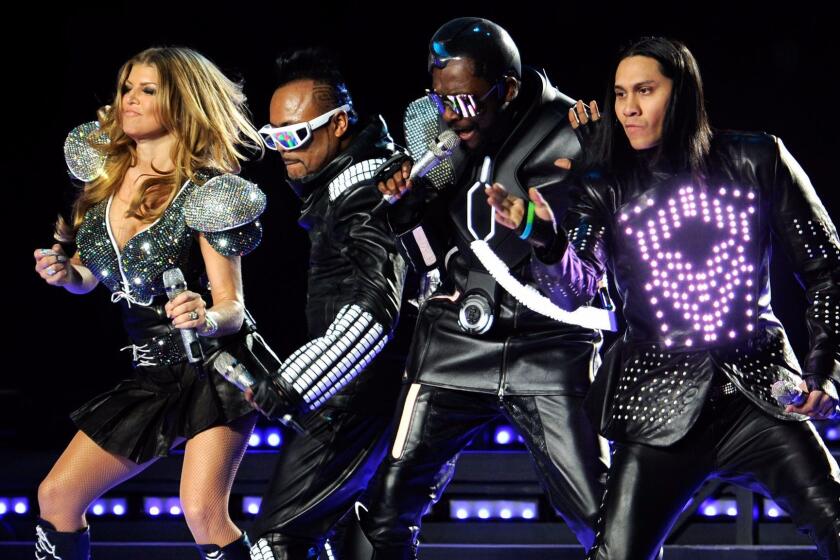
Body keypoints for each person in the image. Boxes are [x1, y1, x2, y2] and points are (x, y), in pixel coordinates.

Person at [488, 36, 840, 560]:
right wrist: (543, 235)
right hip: (656, 407)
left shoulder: (757, 157)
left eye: (644, 91)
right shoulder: (604, 185)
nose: (627, 107)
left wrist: (825, 367)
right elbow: (574, 289)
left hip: (758, 396)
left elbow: (828, 268)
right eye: (619, 93)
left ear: (683, 95)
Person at [364, 17, 608, 559]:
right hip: (459, 338)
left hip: (547, 343)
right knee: (387, 510)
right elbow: (431, 262)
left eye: (468, 102)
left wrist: (542, 239)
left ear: (510, 90)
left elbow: (578, 286)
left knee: (604, 518)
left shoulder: (576, 136)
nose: (452, 116)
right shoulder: (445, 140)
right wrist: (407, 214)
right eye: (441, 99)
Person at [33, 46, 268, 560]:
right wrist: (66, 274)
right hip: (150, 375)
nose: (129, 101)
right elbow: (92, 277)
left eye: (147, 91)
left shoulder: (205, 192)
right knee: (56, 497)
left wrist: (204, 317)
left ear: (181, 102)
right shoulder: (103, 182)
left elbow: (232, 307)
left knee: (203, 512)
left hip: (212, 372)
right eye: (126, 89)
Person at [245, 47, 410, 560]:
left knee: (278, 542)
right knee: (352, 540)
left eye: (294, 134)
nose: (282, 150)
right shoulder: (352, 185)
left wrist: (299, 380)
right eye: (271, 138)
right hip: (366, 391)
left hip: (356, 396)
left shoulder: (364, 190)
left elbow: (376, 304)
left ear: (339, 124)